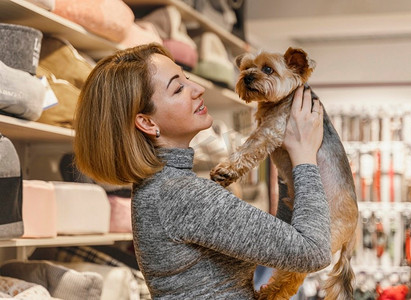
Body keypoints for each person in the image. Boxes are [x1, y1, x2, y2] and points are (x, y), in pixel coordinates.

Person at [74, 43, 331, 299]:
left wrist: (287, 156)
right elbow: (313, 251)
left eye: (187, 78)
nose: (198, 89)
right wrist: (305, 157)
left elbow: (287, 240)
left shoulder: (164, 187)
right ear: (147, 122)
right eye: (178, 88)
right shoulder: (181, 195)